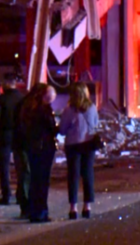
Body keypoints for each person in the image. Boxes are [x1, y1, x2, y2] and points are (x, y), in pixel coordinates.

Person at [58, 83, 99, 220]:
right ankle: (87, 207)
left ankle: (73, 208)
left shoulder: (69, 110)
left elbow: (62, 130)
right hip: (88, 144)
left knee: (73, 176)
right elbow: (95, 125)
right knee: (88, 175)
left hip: (73, 145)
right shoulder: (92, 108)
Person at [18, 83, 57, 223]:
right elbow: (51, 127)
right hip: (44, 147)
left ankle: (33, 210)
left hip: (32, 147)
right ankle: (41, 211)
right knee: (42, 181)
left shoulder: (26, 106)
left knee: (34, 180)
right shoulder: (43, 109)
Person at [0, 73, 28, 207]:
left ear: (7, 83)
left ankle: (6, 195)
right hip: (19, 135)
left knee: (4, 167)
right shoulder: (22, 98)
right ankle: (21, 195)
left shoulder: (2, 99)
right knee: (20, 167)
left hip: (4, 135)